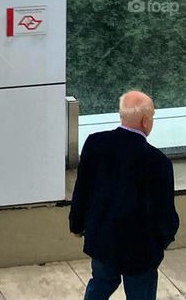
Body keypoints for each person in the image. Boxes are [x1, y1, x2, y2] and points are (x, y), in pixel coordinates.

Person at [69, 90, 179, 300]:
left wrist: (77, 225)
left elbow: (82, 190)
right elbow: (163, 212)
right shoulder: (158, 162)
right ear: (146, 121)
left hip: (102, 239)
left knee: (99, 284)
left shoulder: (94, 143)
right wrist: (164, 239)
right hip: (141, 250)